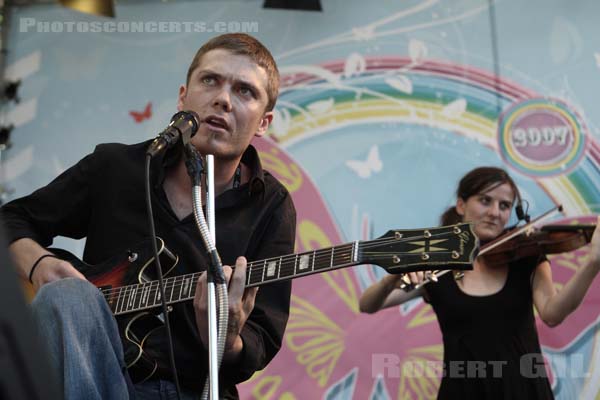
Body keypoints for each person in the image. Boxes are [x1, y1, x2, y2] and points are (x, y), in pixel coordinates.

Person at [0, 33, 296, 399]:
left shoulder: (271, 205)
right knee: (65, 297)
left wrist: (227, 337)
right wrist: (40, 265)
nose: (222, 99)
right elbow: (10, 221)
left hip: (191, 391)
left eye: (244, 91)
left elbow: (261, 341)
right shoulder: (116, 167)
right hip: (95, 372)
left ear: (264, 122)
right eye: (210, 80)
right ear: (183, 96)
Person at [359, 166, 600, 399]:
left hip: (523, 390)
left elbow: (552, 313)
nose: (495, 212)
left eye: (504, 205)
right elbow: (368, 304)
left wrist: (592, 263)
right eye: (485, 201)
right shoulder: (437, 265)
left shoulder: (527, 258)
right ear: (461, 205)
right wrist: (392, 276)